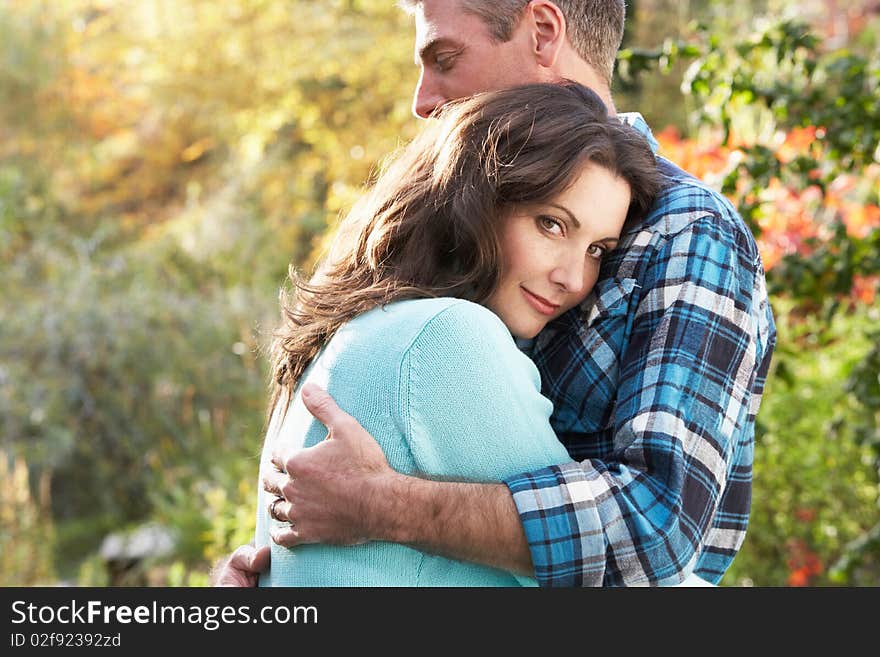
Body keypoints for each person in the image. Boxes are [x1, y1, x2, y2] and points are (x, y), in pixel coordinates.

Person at [215, 0, 776, 588]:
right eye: (551, 224)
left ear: (541, 33)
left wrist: (382, 506)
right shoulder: (435, 267)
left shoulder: (686, 230)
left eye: (445, 58)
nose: (422, 100)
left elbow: (655, 532)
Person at [253, 82, 660, 586]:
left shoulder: (357, 328)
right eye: (552, 225)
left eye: (597, 249)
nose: (574, 278)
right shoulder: (447, 338)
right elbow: (614, 574)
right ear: (478, 204)